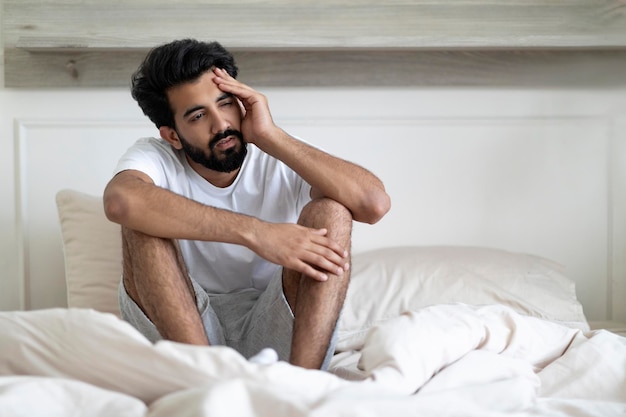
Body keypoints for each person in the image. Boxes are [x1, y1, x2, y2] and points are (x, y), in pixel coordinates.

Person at [103, 39, 391, 370]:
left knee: (332, 211)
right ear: (173, 136)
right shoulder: (155, 157)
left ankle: (305, 386)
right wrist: (256, 232)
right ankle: (207, 386)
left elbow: (373, 204)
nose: (221, 124)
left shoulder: (278, 153)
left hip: (277, 325)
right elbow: (121, 201)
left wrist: (270, 135)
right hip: (184, 335)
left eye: (225, 103)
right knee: (141, 222)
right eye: (198, 115)